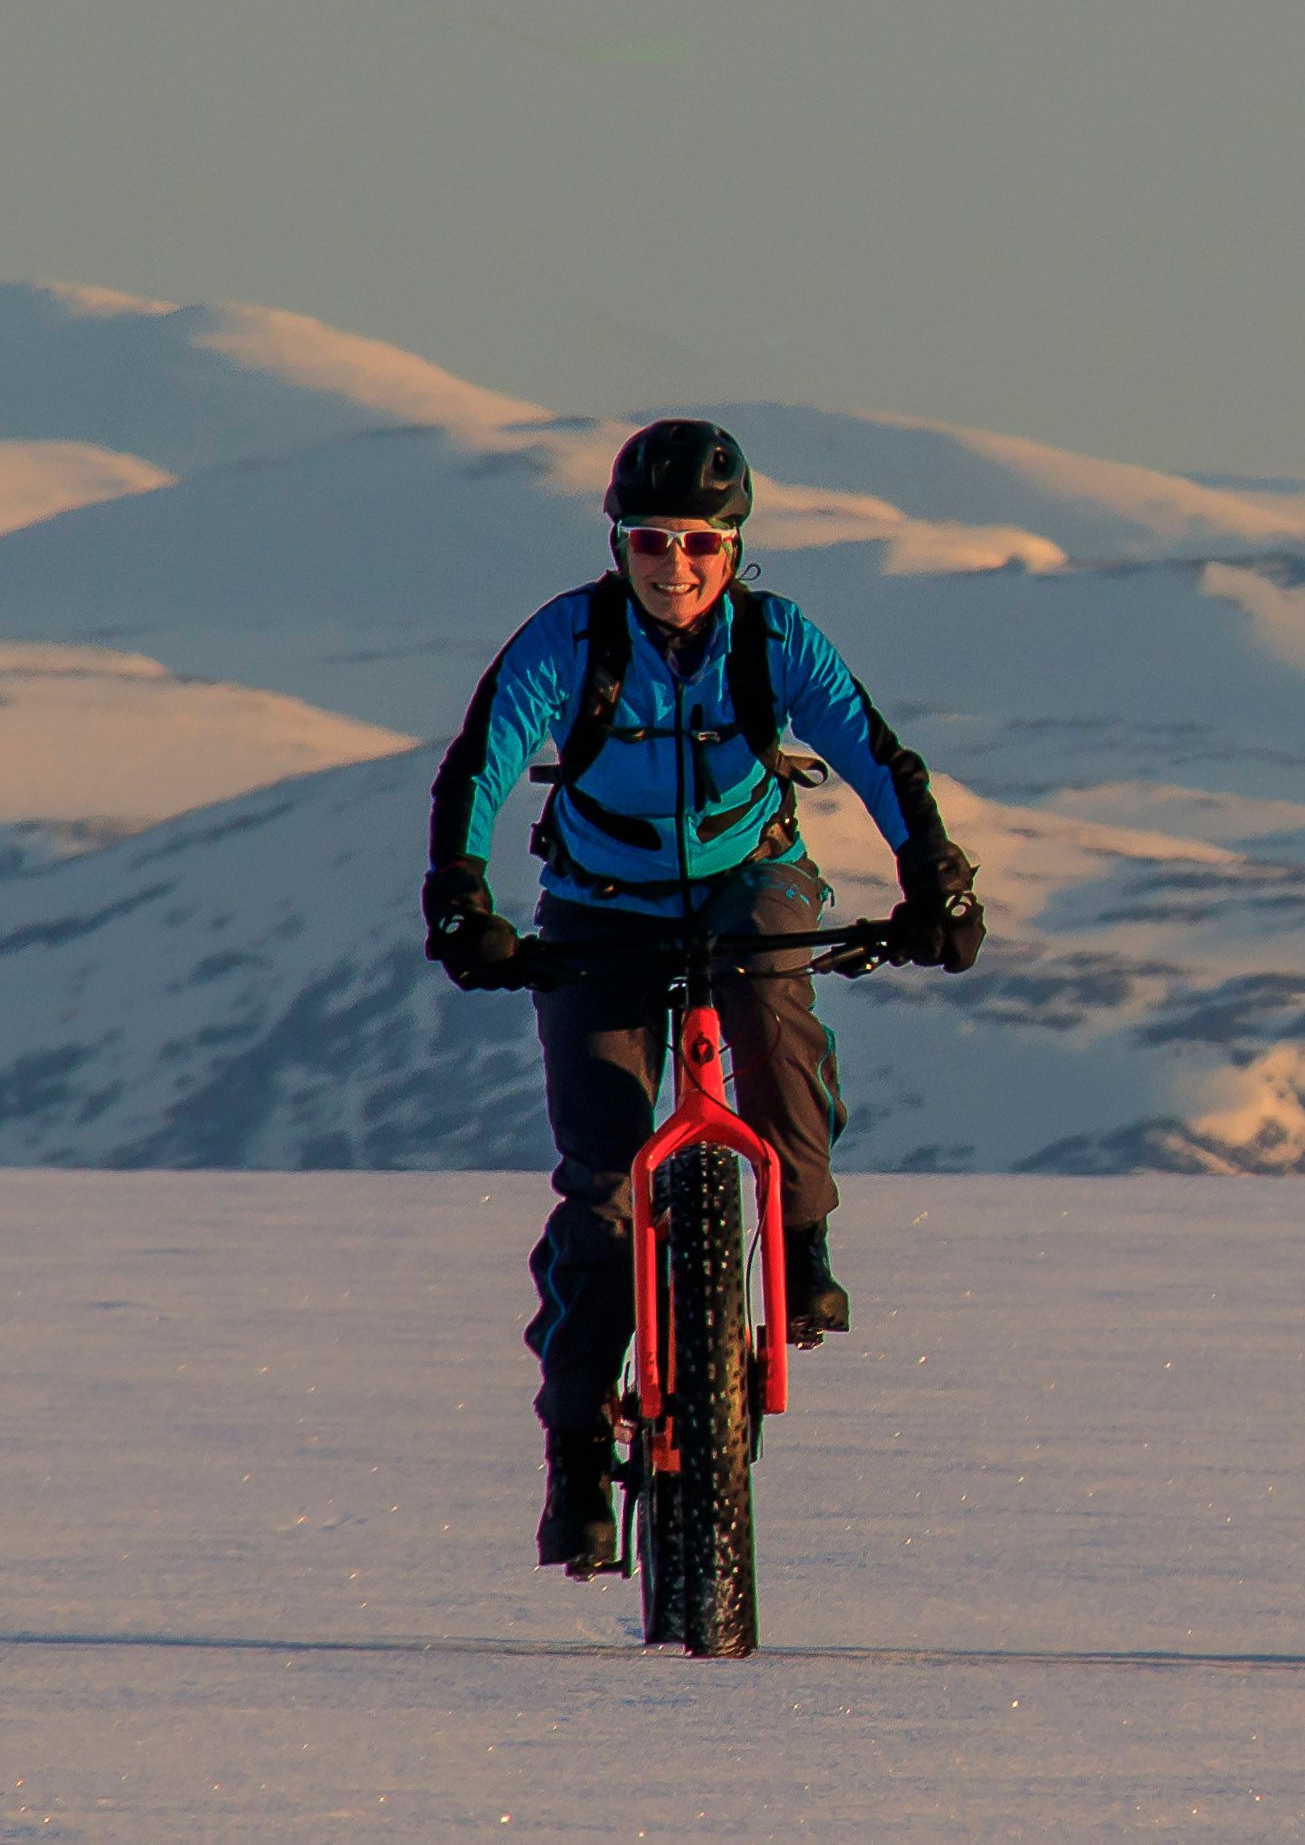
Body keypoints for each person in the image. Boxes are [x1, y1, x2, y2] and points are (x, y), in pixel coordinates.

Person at [423, 418, 988, 1570]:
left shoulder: (776, 642)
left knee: (774, 1006)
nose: (672, 567)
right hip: (599, 902)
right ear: (616, 543)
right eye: (648, 541)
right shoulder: (568, 641)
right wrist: (461, 896)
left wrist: (936, 878)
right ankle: (578, 1446)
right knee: (603, 1183)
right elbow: (482, 759)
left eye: (697, 543)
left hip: (747, 875)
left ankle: (803, 1229)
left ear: (735, 548)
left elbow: (879, 757)